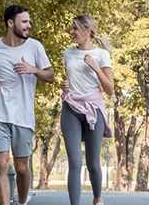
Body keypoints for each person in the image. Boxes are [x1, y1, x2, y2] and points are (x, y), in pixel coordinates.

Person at [0, 5, 54, 205]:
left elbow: (50, 76)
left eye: (29, 21)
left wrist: (33, 69)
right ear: (11, 23)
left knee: (21, 168)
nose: (29, 25)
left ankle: (21, 202)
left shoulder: (35, 47)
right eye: (25, 22)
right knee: (2, 163)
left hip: (23, 115)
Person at [59, 15, 114, 205]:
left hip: (93, 109)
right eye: (71, 28)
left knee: (93, 164)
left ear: (87, 32)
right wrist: (64, 84)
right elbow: (70, 81)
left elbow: (109, 89)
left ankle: (97, 199)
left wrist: (97, 69)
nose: (71, 32)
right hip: (71, 107)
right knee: (74, 162)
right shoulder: (67, 53)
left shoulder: (101, 54)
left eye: (75, 29)